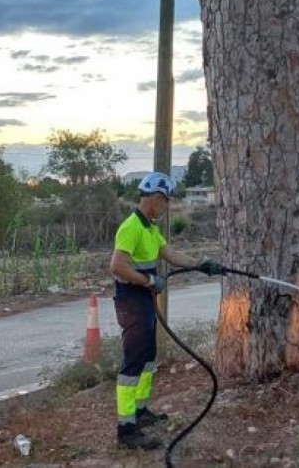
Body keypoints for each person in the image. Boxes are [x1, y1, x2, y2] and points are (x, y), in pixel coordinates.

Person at [108, 171, 224, 450]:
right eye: (166, 201)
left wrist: (200, 264)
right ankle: (126, 429)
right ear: (156, 198)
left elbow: (170, 254)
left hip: (145, 301)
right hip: (132, 301)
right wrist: (148, 280)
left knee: (148, 357)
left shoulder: (150, 228)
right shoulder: (131, 227)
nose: (168, 206)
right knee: (133, 364)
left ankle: (140, 411)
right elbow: (117, 266)